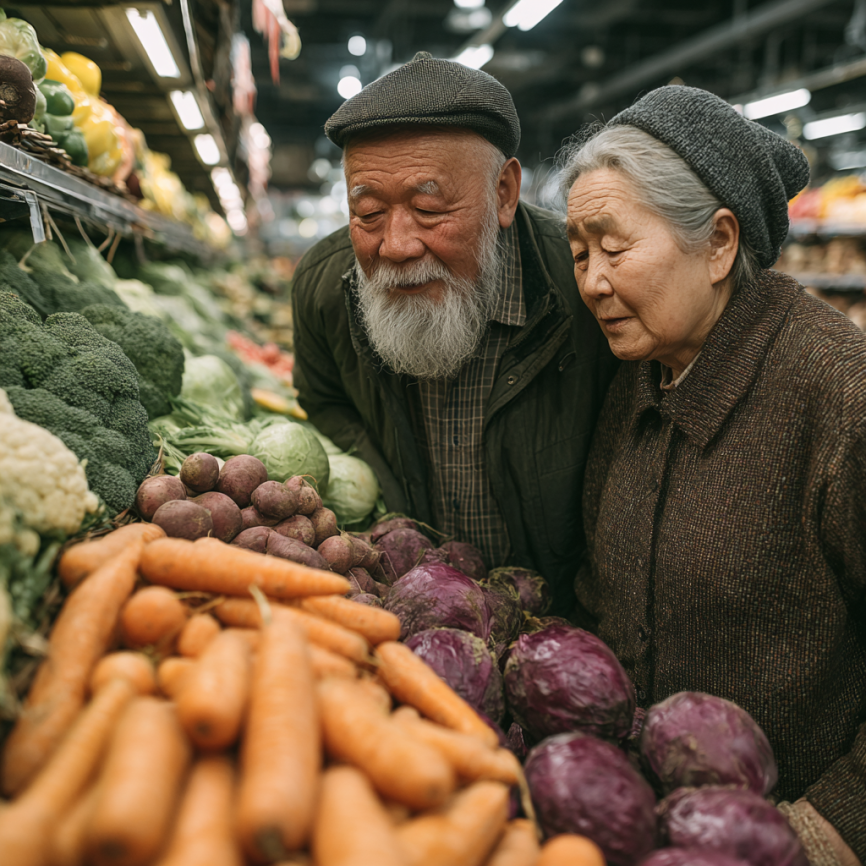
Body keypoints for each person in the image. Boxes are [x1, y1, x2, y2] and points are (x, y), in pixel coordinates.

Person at [564, 86, 865, 865]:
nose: (593, 281)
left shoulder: (838, 392)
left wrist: (833, 826)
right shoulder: (640, 373)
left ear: (721, 242)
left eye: (614, 245)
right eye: (578, 252)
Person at [292, 52, 618, 612]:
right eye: (368, 213)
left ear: (504, 194)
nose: (396, 245)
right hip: (414, 613)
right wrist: (387, 494)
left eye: (428, 208)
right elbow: (322, 396)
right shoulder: (325, 287)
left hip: (568, 619)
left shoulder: (588, 287)